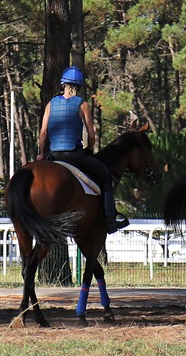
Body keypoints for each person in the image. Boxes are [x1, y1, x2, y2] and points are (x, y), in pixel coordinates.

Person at [38, 65, 128, 232]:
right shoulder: (82, 104)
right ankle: (110, 220)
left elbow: (43, 132)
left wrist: (41, 154)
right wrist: (90, 149)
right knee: (106, 178)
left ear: (63, 84)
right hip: (73, 154)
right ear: (78, 86)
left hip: (53, 155)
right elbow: (91, 134)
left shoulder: (51, 104)